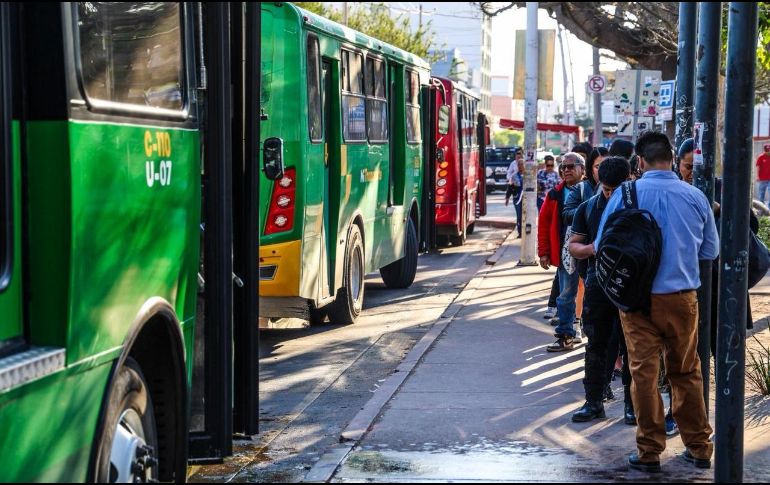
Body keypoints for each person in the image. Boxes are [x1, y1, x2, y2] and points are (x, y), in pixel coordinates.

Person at [594, 131, 718, 473]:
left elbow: (605, 242)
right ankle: (699, 446)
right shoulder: (695, 196)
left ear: (640, 161)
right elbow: (711, 251)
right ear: (672, 158)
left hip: (636, 302)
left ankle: (649, 450)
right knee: (687, 371)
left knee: (643, 375)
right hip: (681, 298)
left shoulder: (625, 194)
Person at [568, 156, 632, 423]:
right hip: (598, 283)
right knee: (596, 345)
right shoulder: (588, 208)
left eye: (616, 190)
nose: (611, 195)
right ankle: (594, 402)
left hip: (632, 285)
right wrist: (593, 248)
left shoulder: (637, 205)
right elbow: (574, 246)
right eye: (607, 190)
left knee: (633, 348)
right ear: (598, 182)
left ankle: (633, 405)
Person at [538, 152, 586, 351]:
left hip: (590, 252)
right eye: (563, 167)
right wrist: (544, 252)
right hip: (566, 254)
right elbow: (544, 223)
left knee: (590, 294)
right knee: (566, 294)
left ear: (582, 169)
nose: (566, 170)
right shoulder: (554, 194)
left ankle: (583, 330)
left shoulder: (592, 190)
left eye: (570, 166)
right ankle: (566, 334)